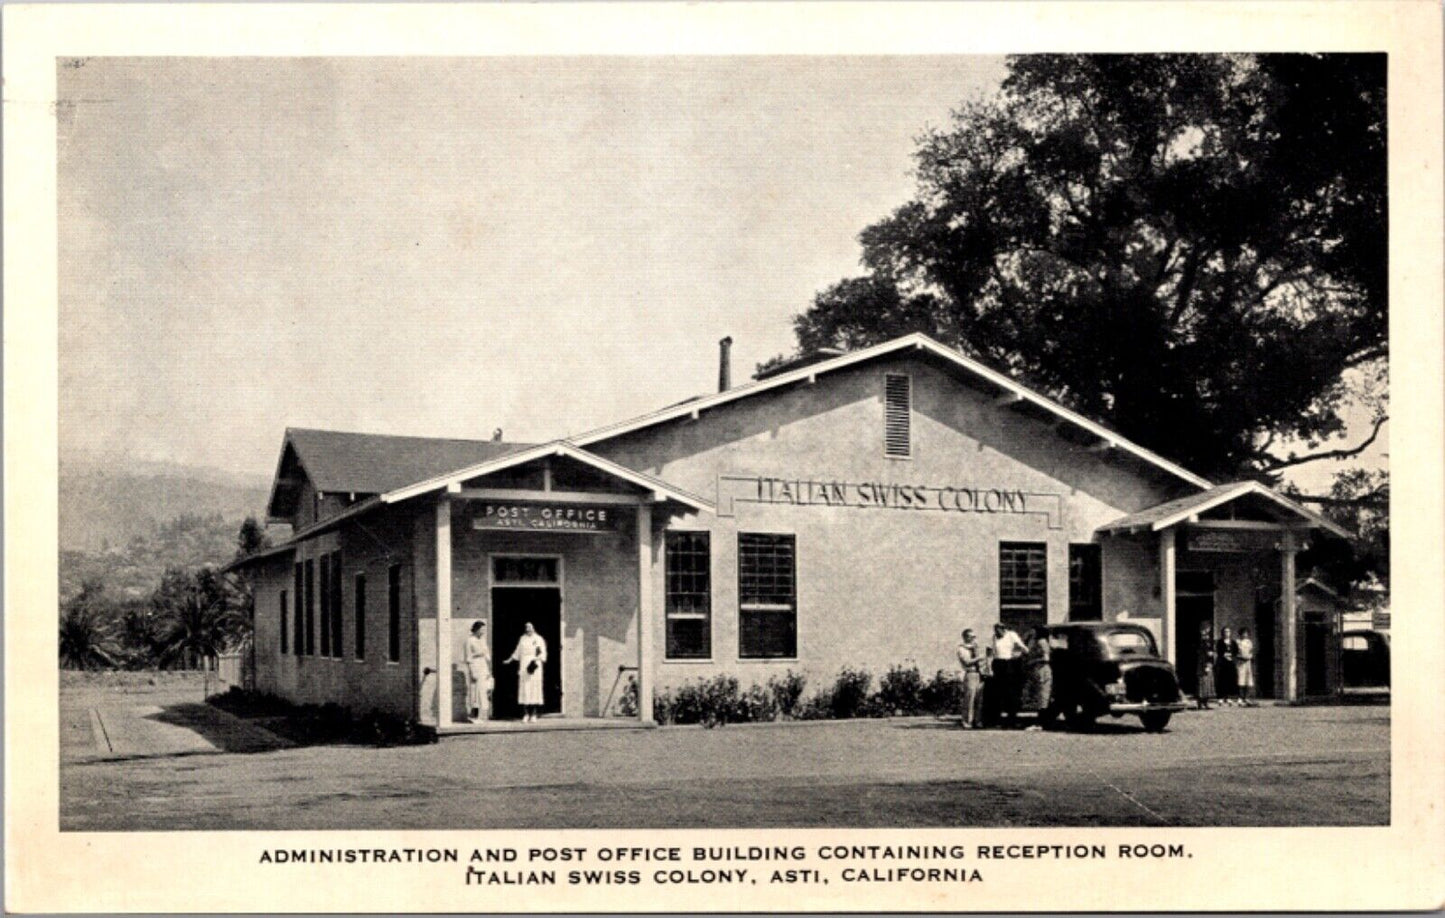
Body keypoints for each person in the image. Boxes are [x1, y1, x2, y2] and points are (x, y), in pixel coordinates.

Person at [986, 622, 1028, 728]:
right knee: (997, 693)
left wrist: (1019, 654)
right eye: (995, 630)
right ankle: (996, 720)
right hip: (998, 664)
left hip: (1009, 664)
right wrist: (989, 669)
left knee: (1011, 692)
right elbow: (989, 654)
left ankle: (1012, 720)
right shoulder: (993, 638)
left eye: (999, 630)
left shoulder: (1011, 635)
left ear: (1004, 629)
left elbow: (1023, 647)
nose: (997, 633)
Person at [505, 621, 548, 723]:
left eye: (530, 627)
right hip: (524, 665)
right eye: (526, 627)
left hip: (534, 665)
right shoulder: (522, 638)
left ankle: (533, 714)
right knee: (525, 688)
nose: (528, 629)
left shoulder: (538, 639)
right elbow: (517, 651)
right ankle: (525, 714)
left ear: (534, 628)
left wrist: (537, 659)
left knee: (534, 688)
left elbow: (542, 652)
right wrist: (510, 660)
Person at [1020, 628, 1053, 728]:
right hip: (1036, 670)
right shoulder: (1034, 641)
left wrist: (1032, 661)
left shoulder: (1041, 642)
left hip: (1042, 670)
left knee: (1042, 696)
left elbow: (1046, 658)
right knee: (1039, 696)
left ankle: (1041, 723)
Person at [956, 628, 986, 728]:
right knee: (969, 698)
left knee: (979, 699)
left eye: (974, 636)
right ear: (965, 637)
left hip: (979, 674)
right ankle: (967, 721)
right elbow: (967, 662)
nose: (973, 638)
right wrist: (979, 658)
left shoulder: (976, 648)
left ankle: (978, 721)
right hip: (970, 673)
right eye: (971, 636)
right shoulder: (962, 649)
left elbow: (983, 660)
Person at [464, 621, 492, 724]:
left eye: (484, 630)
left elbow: (487, 655)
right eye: (482, 629)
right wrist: (472, 670)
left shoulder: (483, 640)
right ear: (476, 629)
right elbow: (468, 657)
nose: (483, 632)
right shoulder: (469, 640)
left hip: (483, 665)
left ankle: (481, 716)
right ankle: (473, 716)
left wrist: (488, 669)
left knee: (483, 690)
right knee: (475, 691)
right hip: (475, 665)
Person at [1215, 626, 1238, 706]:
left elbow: (1236, 651)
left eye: (1228, 632)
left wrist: (1231, 656)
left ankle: (1228, 697)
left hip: (1230, 663)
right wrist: (1224, 655)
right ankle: (1220, 697)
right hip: (1222, 663)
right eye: (1225, 632)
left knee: (1230, 680)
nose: (1227, 633)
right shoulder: (1220, 642)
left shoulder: (1233, 642)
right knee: (1222, 680)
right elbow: (1219, 651)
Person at [1195, 623, 1216, 710]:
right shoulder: (1200, 641)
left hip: (1208, 663)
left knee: (1207, 684)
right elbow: (1200, 653)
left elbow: (1211, 650)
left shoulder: (1209, 641)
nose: (1206, 632)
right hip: (1202, 664)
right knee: (1202, 683)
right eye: (1205, 630)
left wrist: (1211, 655)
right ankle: (1200, 703)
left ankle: (1206, 702)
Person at [1235, 627, 1257, 706]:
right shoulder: (1238, 642)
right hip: (1240, 662)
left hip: (1247, 662)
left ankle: (1246, 697)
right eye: (1244, 633)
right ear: (1240, 634)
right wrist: (1241, 657)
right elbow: (1235, 652)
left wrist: (1250, 656)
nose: (1245, 635)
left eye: (1246, 633)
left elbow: (1251, 651)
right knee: (1241, 680)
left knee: (1248, 680)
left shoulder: (1249, 642)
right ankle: (1240, 697)